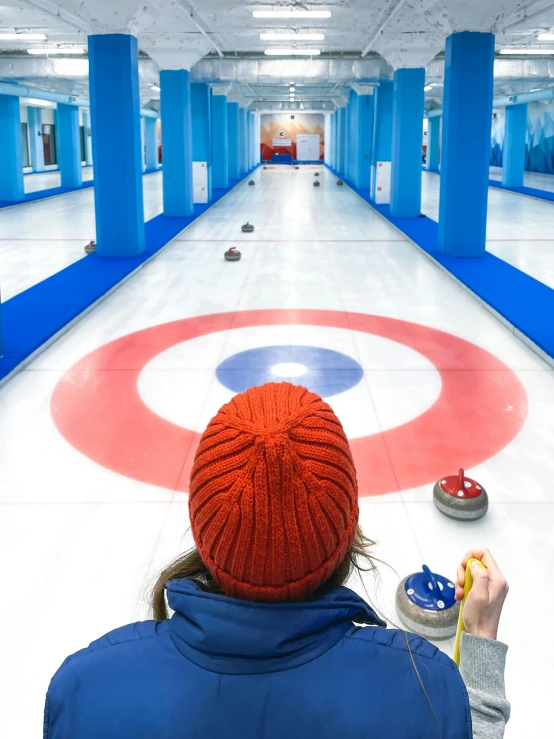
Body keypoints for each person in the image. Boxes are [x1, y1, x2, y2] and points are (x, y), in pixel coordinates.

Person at [44, 382, 510, 739]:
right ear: (346, 527)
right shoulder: (425, 685)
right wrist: (482, 648)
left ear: (205, 525)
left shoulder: (83, 686)